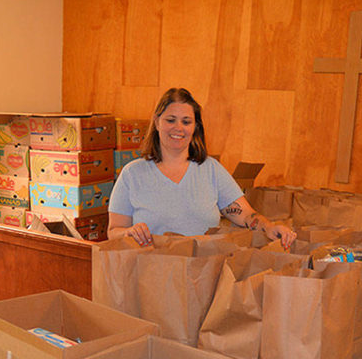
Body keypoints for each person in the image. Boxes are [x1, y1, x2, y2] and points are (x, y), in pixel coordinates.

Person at [108, 88, 296, 249]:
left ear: (195, 127)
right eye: (171, 120)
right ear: (157, 123)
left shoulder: (211, 170)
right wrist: (129, 232)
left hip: (202, 275)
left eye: (186, 121)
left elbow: (245, 214)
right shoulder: (132, 174)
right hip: (151, 275)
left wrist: (269, 226)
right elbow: (113, 231)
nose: (178, 128)